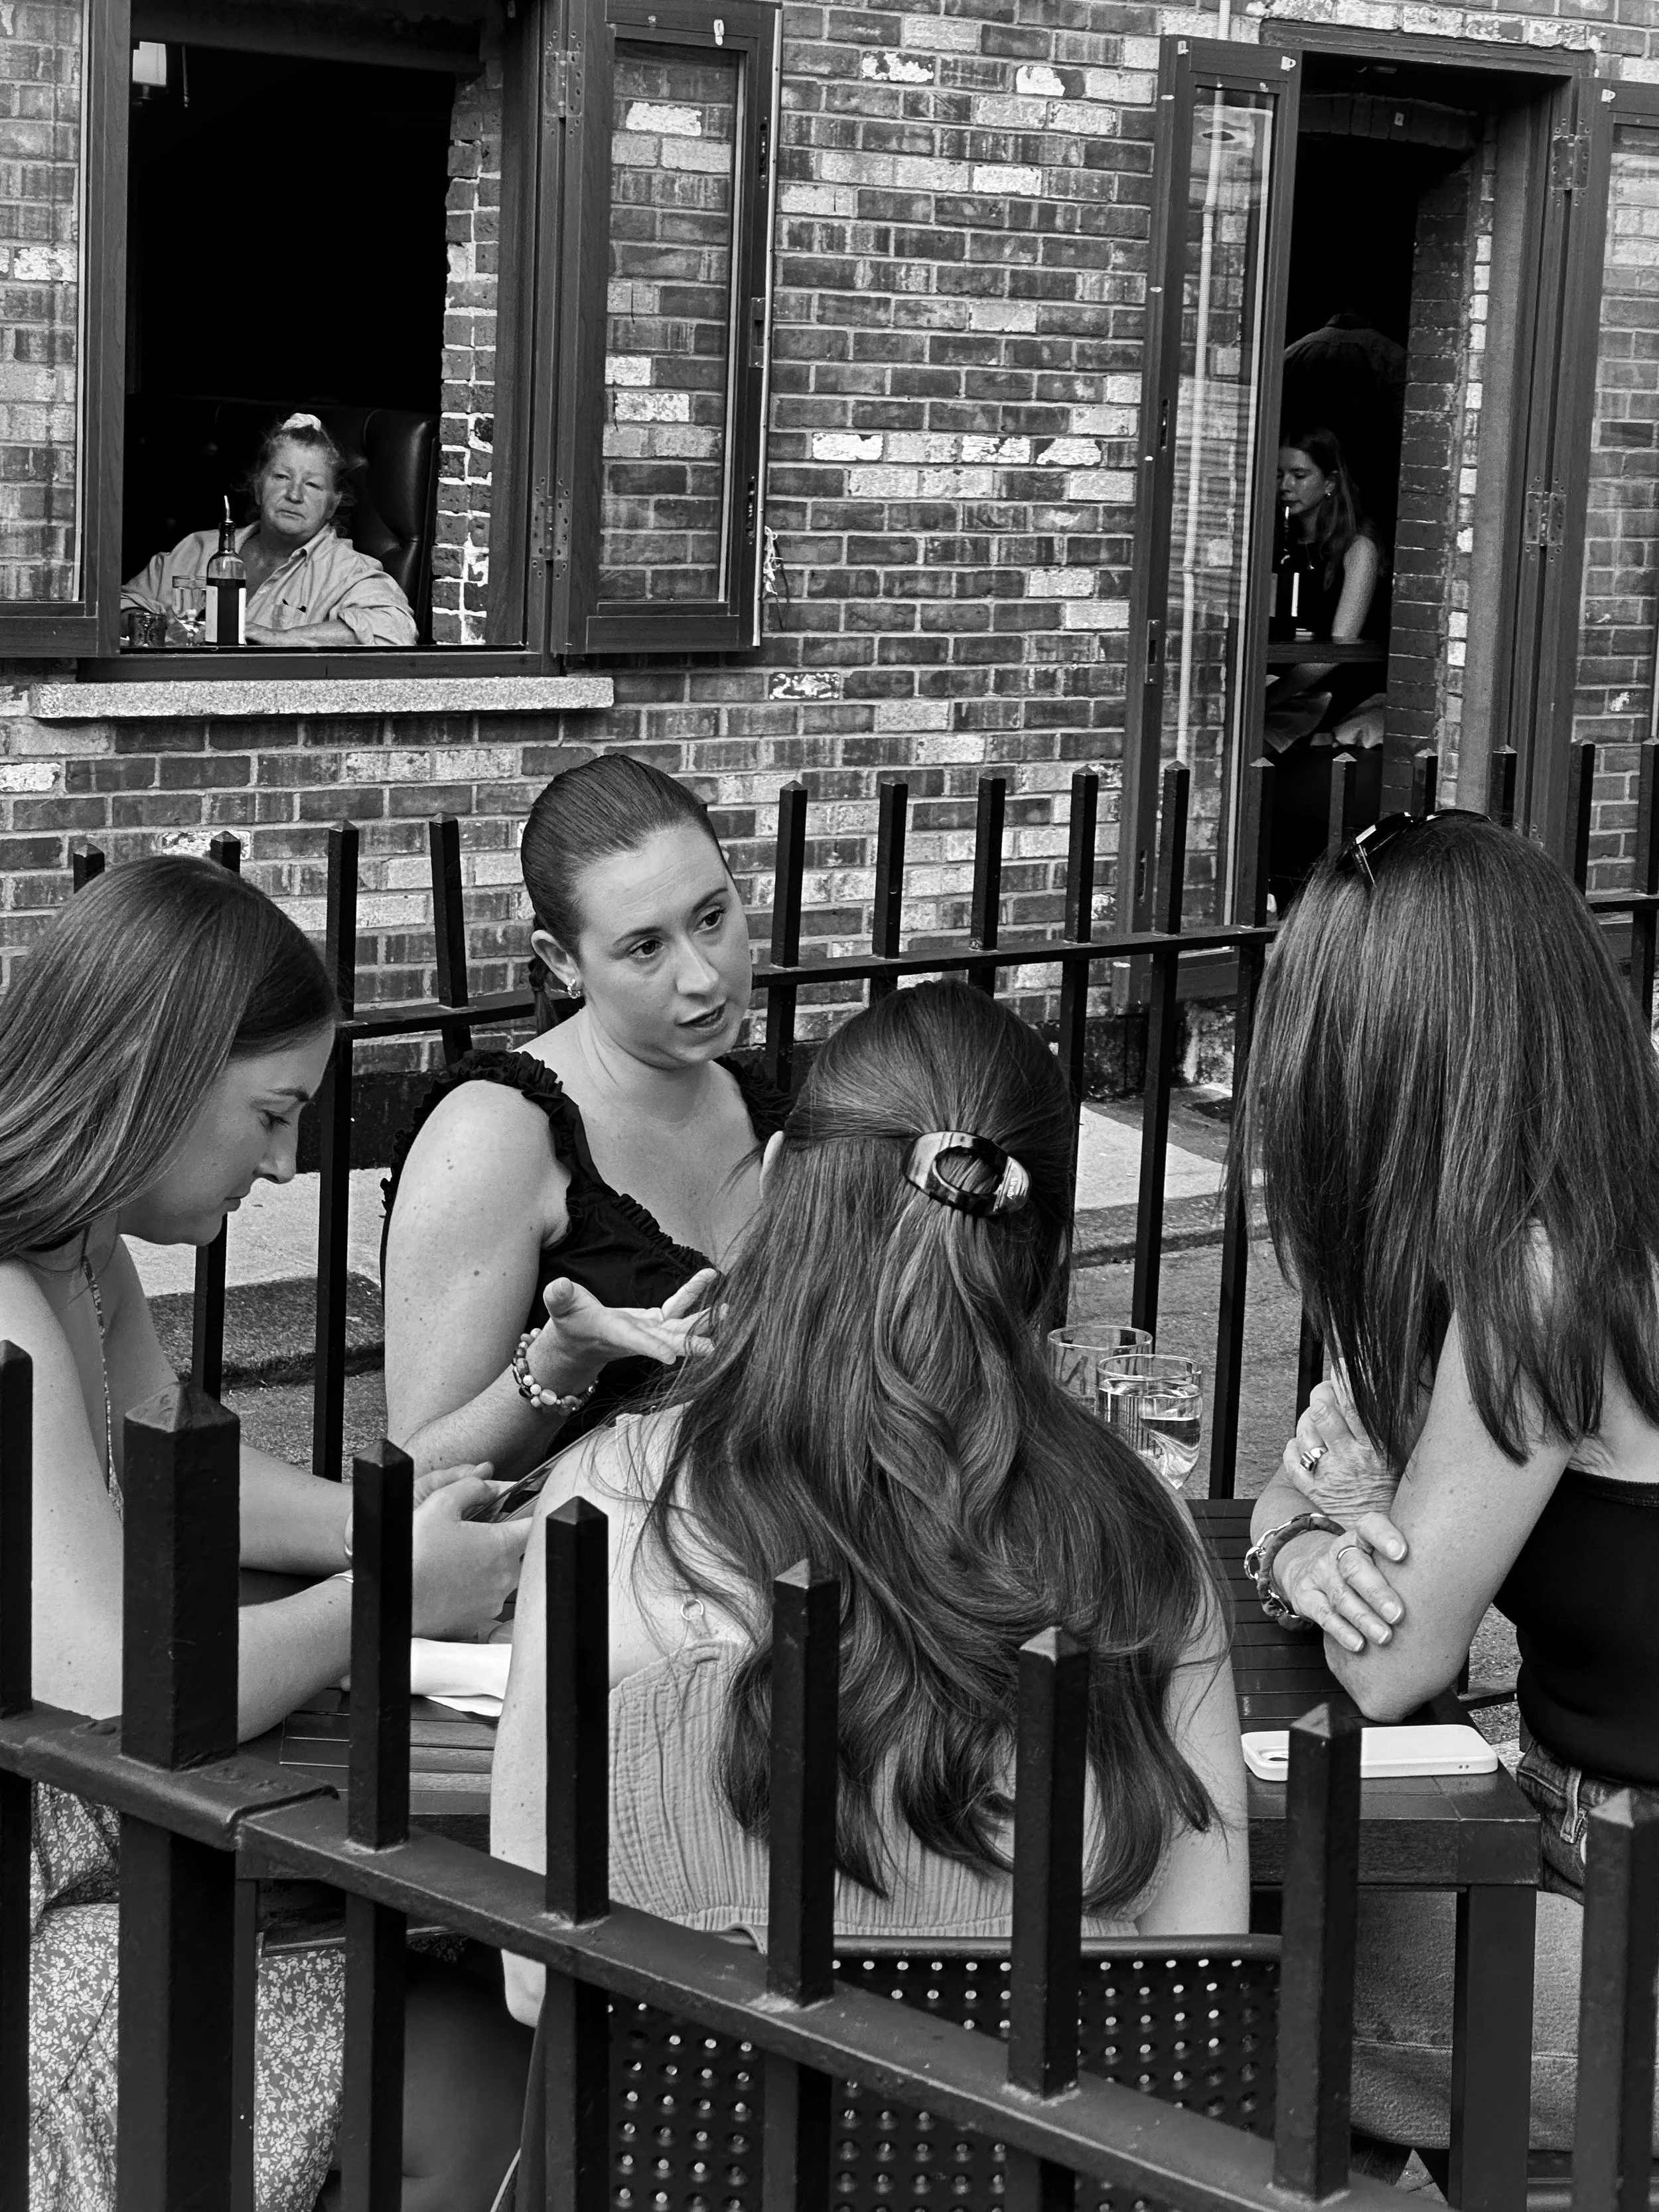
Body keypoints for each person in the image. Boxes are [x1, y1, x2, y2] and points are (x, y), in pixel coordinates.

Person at [492, 982, 1249, 2013]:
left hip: (695, 2157)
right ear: (1056, 1253)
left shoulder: (609, 1500)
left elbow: (538, 1981)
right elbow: (1193, 1982)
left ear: (771, 1185)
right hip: (1020, 2165)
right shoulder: (1141, 1535)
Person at [4, 857, 530, 2211]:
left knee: (472, 2006)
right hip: (44, 1950)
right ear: (152, 1071)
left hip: (95, 1871)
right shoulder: (8, 1299)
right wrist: (396, 1595)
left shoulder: (71, 1251)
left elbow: (191, 1482)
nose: (289, 1162)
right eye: (273, 1114)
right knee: (472, 2048)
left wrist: (398, 1526)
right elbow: (122, 1694)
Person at [1234, 808, 1659, 2156]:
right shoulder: (1581, 1219)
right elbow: (1296, 1495)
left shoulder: (1543, 1283)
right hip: (1566, 1853)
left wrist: (1332, 1530)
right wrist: (1302, 1549)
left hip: (1624, 1937)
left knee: (1216, 1965)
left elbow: (1387, 1660)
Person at [381, 755, 790, 1481]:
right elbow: (416, 1475)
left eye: (711, 918)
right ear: (562, 961)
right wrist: (560, 1363)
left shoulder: (771, 1115)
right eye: (644, 947)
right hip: (568, 1578)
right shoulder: (495, 1133)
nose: (701, 977)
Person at [120, 412, 419, 649]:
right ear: (258, 486)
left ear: (332, 503)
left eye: (313, 484)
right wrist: (161, 630)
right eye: (281, 476)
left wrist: (280, 637)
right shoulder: (197, 548)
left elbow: (395, 630)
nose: (295, 495)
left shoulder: (347, 571)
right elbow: (118, 606)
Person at [1263, 427, 1389, 907]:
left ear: (1332, 483)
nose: (1285, 486)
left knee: (1256, 741)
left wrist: (1270, 697)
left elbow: (1339, 648)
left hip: (1338, 689)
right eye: (1278, 474)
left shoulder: (1359, 548)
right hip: (1290, 682)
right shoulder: (1279, 542)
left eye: (1299, 474)